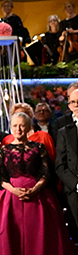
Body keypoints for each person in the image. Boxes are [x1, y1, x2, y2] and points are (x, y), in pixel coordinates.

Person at [0, 112, 76, 255]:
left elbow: (47, 173)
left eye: (22, 125)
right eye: (15, 126)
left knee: (39, 239)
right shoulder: (4, 149)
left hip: (38, 199)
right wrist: (14, 190)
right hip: (10, 200)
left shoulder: (39, 147)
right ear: (10, 127)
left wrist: (35, 189)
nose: (18, 129)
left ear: (29, 127)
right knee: (12, 238)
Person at [55, 86, 78, 240]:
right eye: (73, 102)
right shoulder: (64, 132)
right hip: (74, 192)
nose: (77, 105)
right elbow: (60, 165)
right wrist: (76, 184)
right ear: (69, 106)